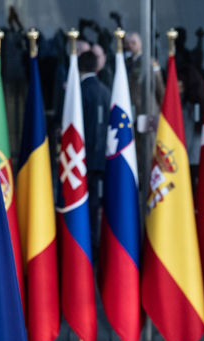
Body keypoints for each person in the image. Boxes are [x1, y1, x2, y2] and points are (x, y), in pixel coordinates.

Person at [79, 48, 111, 239]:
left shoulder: (80, 91)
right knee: (97, 201)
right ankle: (97, 240)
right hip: (102, 156)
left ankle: (88, 240)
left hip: (83, 156)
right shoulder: (106, 91)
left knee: (83, 201)